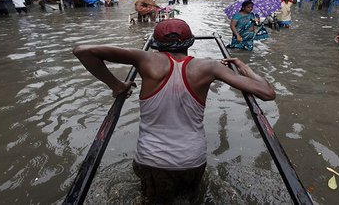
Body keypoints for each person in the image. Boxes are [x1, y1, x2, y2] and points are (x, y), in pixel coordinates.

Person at [72, 19, 275, 204]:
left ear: (156, 43)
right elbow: (267, 92)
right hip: (192, 160)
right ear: (190, 42)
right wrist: (242, 66)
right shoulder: (210, 66)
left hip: (152, 159)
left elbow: (82, 51)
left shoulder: (145, 59)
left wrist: (116, 85)